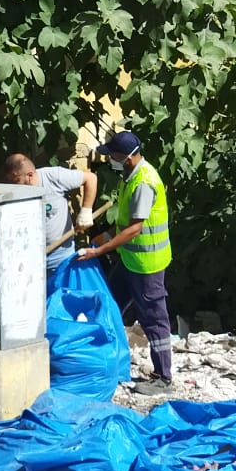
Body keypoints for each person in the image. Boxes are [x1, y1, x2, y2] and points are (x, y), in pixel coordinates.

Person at [78, 129, 175, 395]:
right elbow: (122, 223)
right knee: (110, 303)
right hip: (130, 259)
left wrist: (100, 251)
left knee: (154, 319)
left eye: (114, 156)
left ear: (128, 157)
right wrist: (98, 239)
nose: (111, 160)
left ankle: (163, 378)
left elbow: (134, 229)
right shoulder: (128, 178)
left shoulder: (143, 182)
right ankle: (102, 362)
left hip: (147, 264)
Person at [1, 152, 98, 273]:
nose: (13, 186)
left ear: (30, 175)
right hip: (30, 260)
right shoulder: (15, 191)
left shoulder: (53, 177)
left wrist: (86, 211)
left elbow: (91, 178)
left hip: (60, 258)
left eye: (16, 181)